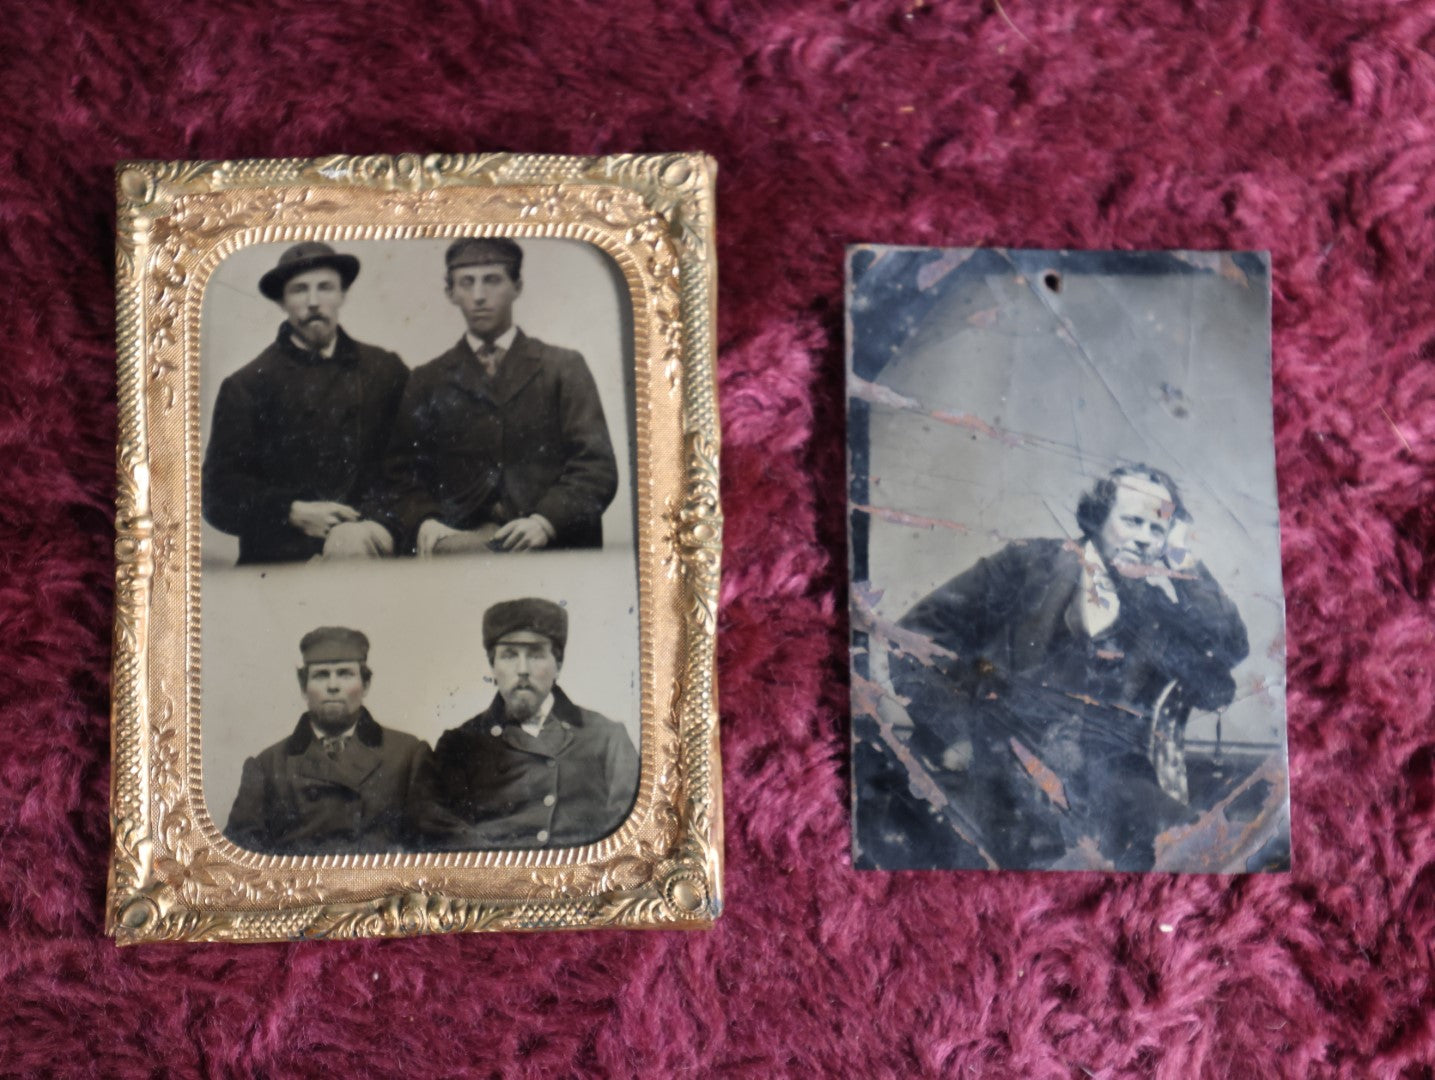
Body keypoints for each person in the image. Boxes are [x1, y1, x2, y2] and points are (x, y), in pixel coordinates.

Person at [888, 465, 1249, 871]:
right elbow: (913, 636)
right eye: (1132, 521)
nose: (1144, 539)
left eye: (1157, 529)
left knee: (1203, 856)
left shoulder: (1155, 609)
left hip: (1114, 787)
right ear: (1097, 518)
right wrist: (954, 732)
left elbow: (1230, 648)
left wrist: (1184, 559)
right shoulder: (1027, 565)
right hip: (1002, 767)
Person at [378, 238, 618, 556]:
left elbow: (596, 468)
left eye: (492, 280)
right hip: (461, 545)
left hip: (552, 543)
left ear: (516, 287)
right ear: (451, 293)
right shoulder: (427, 379)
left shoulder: (563, 367)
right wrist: (426, 522)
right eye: (467, 283)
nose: (479, 296)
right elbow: (400, 474)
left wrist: (545, 522)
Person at [202, 242, 408, 565]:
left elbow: (410, 468)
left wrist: (368, 522)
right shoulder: (248, 385)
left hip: (369, 544)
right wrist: (290, 512)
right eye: (299, 290)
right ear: (283, 301)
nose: (313, 302)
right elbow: (217, 495)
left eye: (325, 287)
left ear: (342, 294)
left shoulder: (384, 370)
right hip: (280, 559)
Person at [432, 599, 639, 849]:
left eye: (536, 655)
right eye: (509, 656)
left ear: (558, 664)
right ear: (492, 666)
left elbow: (629, 831)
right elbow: (448, 840)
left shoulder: (606, 737)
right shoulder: (459, 745)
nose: (522, 670)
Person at [224, 627, 440, 855]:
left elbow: (437, 843)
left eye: (345, 673)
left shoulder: (406, 755)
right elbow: (240, 855)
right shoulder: (268, 766)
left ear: (365, 684)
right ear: (303, 686)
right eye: (321, 675)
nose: (333, 686)